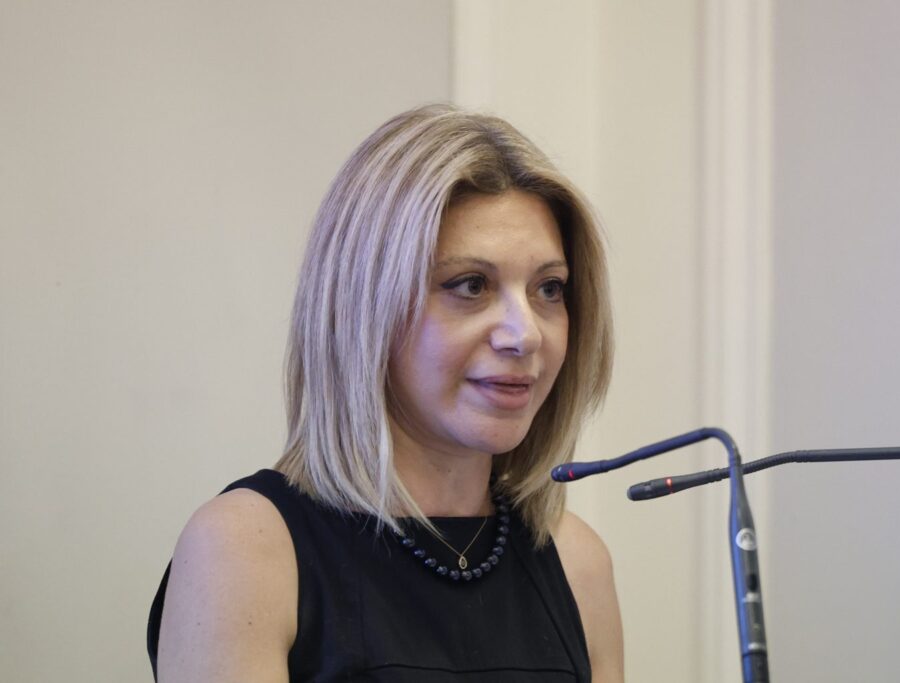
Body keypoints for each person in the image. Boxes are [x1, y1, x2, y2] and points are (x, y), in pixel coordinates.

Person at [147, 104, 624, 682]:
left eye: (549, 289)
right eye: (471, 285)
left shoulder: (576, 561)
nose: (525, 334)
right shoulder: (244, 548)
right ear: (362, 307)